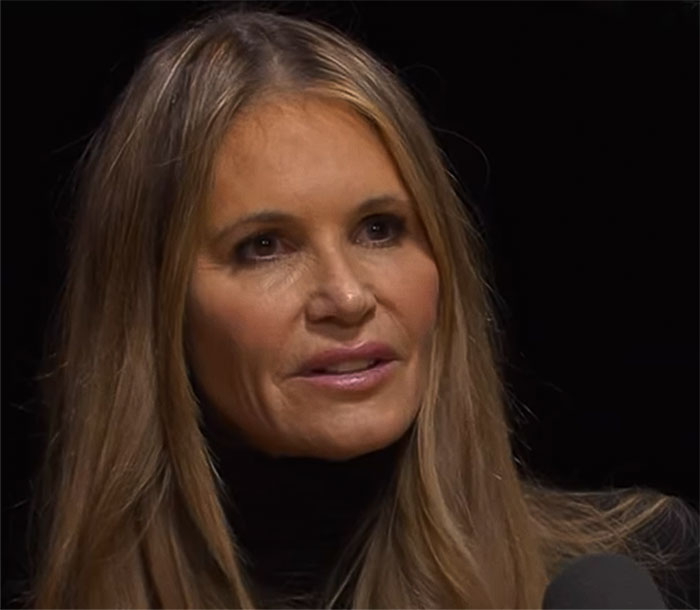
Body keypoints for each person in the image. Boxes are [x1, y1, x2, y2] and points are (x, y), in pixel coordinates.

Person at [27, 7, 697, 609]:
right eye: (264, 247)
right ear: (155, 311)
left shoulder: (631, 573)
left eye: (380, 229)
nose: (347, 297)